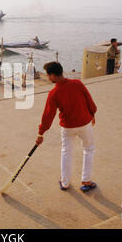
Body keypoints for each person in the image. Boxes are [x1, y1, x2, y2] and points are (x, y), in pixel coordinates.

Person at [36, 61, 97, 192]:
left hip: (68, 127)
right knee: (89, 149)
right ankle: (86, 180)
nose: (47, 78)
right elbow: (90, 101)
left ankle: (65, 182)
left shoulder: (54, 93)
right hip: (84, 123)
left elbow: (48, 116)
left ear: (52, 75)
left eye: (48, 75)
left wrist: (41, 133)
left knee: (66, 152)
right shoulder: (77, 83)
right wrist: (92, 114)